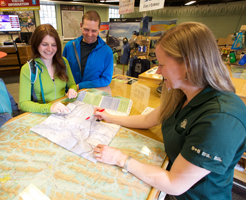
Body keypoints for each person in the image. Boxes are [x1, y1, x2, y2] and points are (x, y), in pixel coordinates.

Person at [92, 22, 246, 199]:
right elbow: (147, 120)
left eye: (162, 65)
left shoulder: (221, 120)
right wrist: (110, 117)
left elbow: (174, 183)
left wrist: (120, 159)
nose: (158, 71)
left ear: (188, 64)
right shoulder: (183, 92)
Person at [19, 24, 77, 114]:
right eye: (44, 44)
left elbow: (72, 85)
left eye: (54, 45)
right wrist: (50, 107)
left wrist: (72, 90)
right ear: (36, 44)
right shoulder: (28, 69)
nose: (50, 49)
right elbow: (23, 103)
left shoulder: (64, 62)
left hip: (63, 112)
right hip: (42, 115)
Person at [63, 10, 113, 90]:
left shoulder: (107, 52)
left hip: (92, 96)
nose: (89, 34)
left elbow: (106, 79)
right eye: (86, 29)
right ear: (81, 26)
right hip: (69, 94)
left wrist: (80, 86)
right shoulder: (69, 47)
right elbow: (61, 71)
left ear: (99, 29)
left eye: (94, 31)